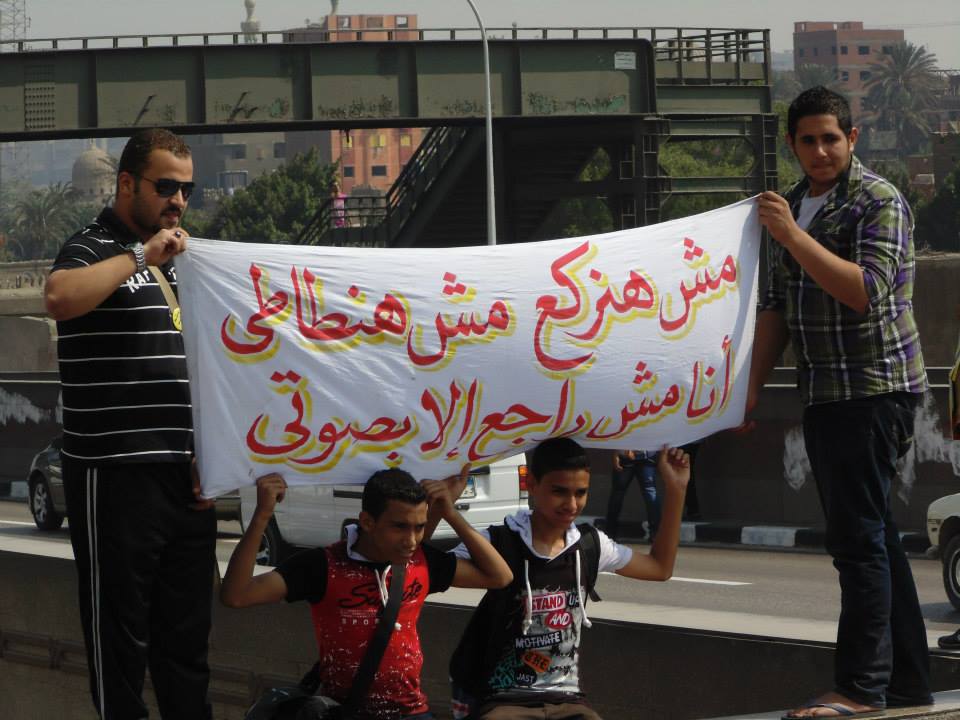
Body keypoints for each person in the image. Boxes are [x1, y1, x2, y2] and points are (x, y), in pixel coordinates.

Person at [747, 86, 930, 719]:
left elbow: (864, 291)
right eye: (808, 140)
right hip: (825, 392)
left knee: (856, 542)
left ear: (852, 138)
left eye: (831, 138)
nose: (821, 151)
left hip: (874, 389)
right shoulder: (793, 205)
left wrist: (793, 235)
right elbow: (776, 308)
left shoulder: (877, 200)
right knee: (875, 537)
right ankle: (907, 682)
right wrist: (748, 393)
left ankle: (860, 689)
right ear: (791, 144)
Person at [44, 128, 214, 719]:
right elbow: (59, 297)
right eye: (165, 186)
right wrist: (142, 256)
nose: (178, 201)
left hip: (185, 481)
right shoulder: (93, 246)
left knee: (186, 649)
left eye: (187, 190)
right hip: (116, 476)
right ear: (125, 184)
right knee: (120, 648)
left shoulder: (186, 261)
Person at [220, 467, 513, 719]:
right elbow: (236, 595)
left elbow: (499, 576)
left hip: (412, 712)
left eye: (420, 527)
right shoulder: (323, 565)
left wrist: (450, 512)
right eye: (399, 527)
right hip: (344, 711)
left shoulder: (421, 562)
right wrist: (262, 515)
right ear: (367, 522)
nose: (411, 540)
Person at [446, 437, 689, 720]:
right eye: (559, 491)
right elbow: (427, 569)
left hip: (567, 699)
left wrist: (676, 489)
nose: (571, 504)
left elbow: (659, 568)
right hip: (502, 698)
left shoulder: (590, 545)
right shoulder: (498, 541)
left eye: (580, 493)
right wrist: (443, 508)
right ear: (532, 484)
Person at [604, 449, 661, 541]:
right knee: (650, 492)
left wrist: (616, 453)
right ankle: (656, 533)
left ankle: (610, 532)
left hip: (626, 455)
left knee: (618, 493)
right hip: (646, 455)